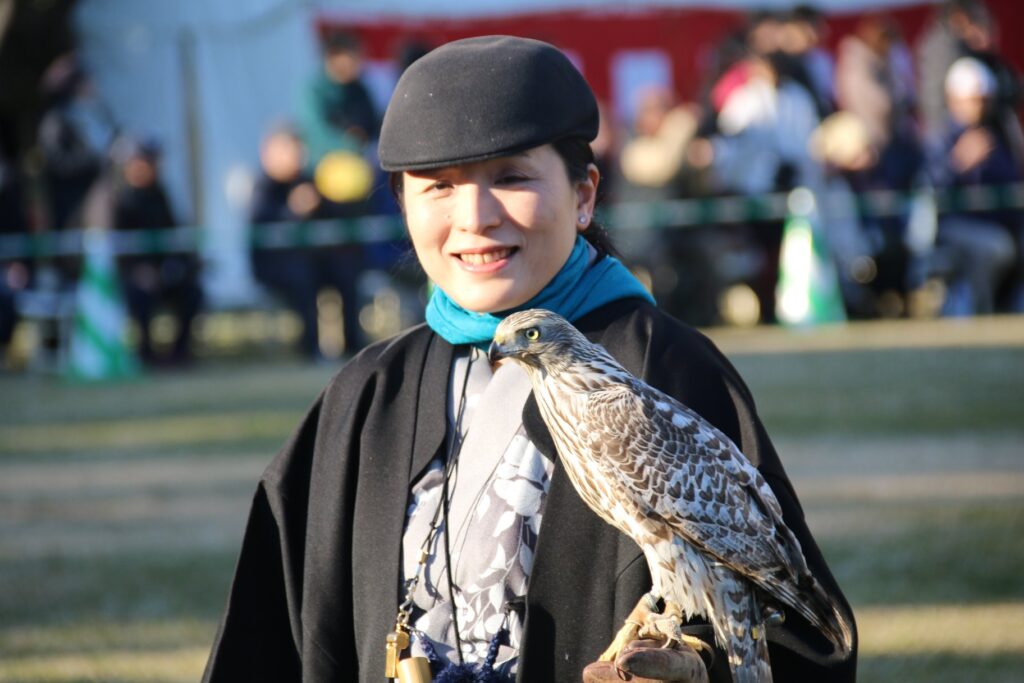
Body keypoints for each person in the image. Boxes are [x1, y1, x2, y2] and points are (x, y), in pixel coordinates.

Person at [204, 36, 856, 683]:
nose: (476, 216)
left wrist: (699, 666)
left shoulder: (667, 369)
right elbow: (275, 641)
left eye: (511, 178)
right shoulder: (368, 396)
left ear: (584, 195)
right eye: (438, 187)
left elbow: (794, 634)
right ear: (402, 209)